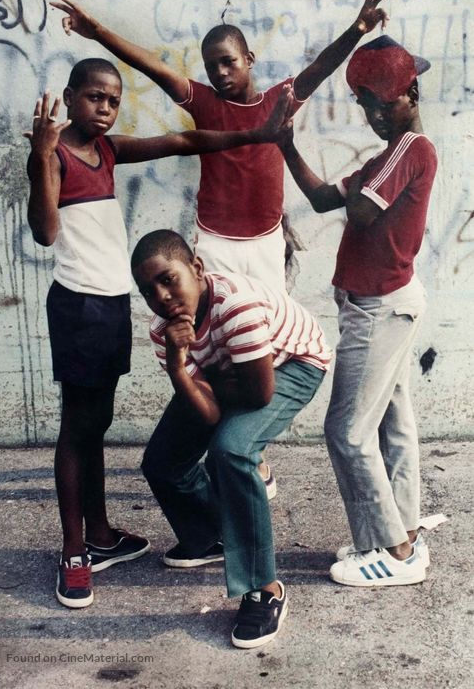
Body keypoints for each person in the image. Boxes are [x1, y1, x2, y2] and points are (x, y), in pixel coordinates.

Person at [50, 0, 387, 495]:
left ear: (248, 59)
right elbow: (151, 66)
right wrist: (96, 32)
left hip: (266, 243)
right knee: (214, 346)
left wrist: (357, 31)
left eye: (228, 62)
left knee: (263, 349)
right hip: (215, 245)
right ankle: (216, 442)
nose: (220, 74)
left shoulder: (278, 100)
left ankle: (252, 450)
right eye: (211, 66)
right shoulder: (203, 101)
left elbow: (319, 68)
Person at [24, 57, 293, 609]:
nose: (104, 108)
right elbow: (46, 232)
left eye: (113, 100)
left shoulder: (107, 150)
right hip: (77, 307)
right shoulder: (54, 157)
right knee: (77, 427)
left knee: (95, 421)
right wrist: (41, 156)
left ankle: (99, 535)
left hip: (109, 307)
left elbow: (178, 140)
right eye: (94, 97)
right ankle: (74, 553)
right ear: (71, 97)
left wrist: (258, 133)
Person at [278, 35, 438, 586]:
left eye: (383, 102)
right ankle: (403, 534)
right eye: (366, 104)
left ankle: (392, 554)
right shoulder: (385, 157)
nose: (374, 115)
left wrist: (363, 188)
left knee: (346, 431)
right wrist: (285, 145)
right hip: (380, 306)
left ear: (412, 91)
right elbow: (327, 199)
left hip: (378, 310)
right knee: (393, 423)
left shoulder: (409, 149)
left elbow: (364, 213)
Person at [130, 229, 332, 648]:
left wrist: (210, 382)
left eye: (168, 279)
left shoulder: (234, 305)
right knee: (163, 462)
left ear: (197, 269)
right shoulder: (163, 330)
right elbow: (207, 412)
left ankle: (265, 589)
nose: (162, 297)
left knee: (232, 451)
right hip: (234, 372)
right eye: (149, 291)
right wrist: (175, 365)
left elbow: (259, 394)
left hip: (292, 362)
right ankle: (210, 535)